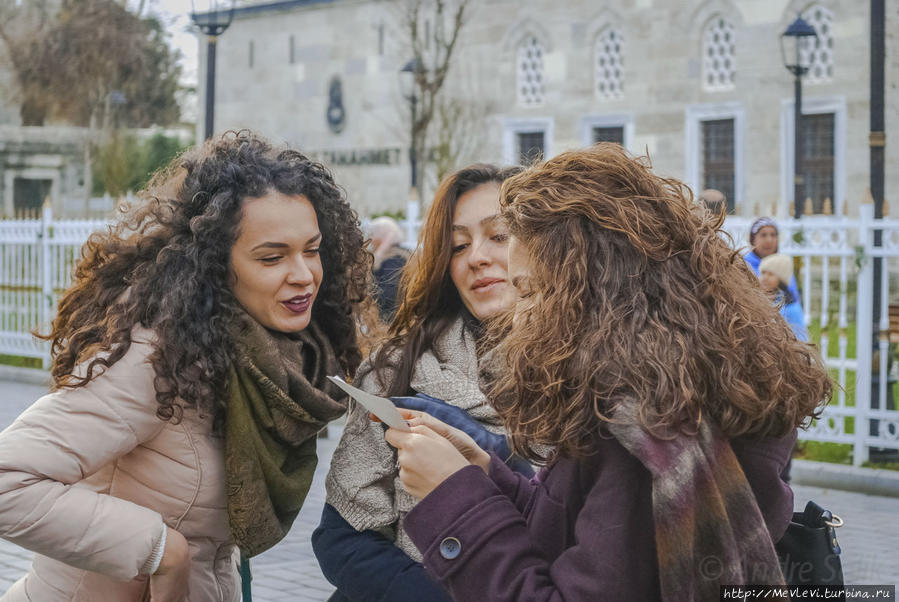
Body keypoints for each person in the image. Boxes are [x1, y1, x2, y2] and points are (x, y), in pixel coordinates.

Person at [383, 144, 832, 601]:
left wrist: (454, 497)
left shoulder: (640, 434)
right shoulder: (654, 392)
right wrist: (481, 472)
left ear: (594, 290)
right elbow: (572, 528)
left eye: (531, 291)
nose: (517, 315)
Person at [0, 132, 371, 601]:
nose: (303, 275)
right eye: (272, 257)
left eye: (312, 250)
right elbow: (8, 480)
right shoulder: (155, 358)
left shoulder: (270, 361)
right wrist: (160, 550)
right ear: (215, 266)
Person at [312, 164, 524, 602]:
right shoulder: (398, 368)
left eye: (499, 236)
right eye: (458, 245)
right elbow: (342, 538)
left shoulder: (593, 379)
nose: (476, 257)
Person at [745, 217, 801, 303]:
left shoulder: (783, 265)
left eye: (773, 235)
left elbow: (794, 300)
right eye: (763, 235)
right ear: (752, 239)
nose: (769, 240)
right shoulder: (743, 265)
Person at [369, 216, 410, 322]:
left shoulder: (394, 260)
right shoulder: (399, 254)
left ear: (383, 236)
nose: (371, 240)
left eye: (373, 234)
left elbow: (389, 295)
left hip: (392, 319)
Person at [759, 253, 808, 341]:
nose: (765, 278)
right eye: (763, 273)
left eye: (771, 274)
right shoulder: (757, 300)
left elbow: (801, 337)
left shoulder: (791, 306)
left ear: (781, 279)